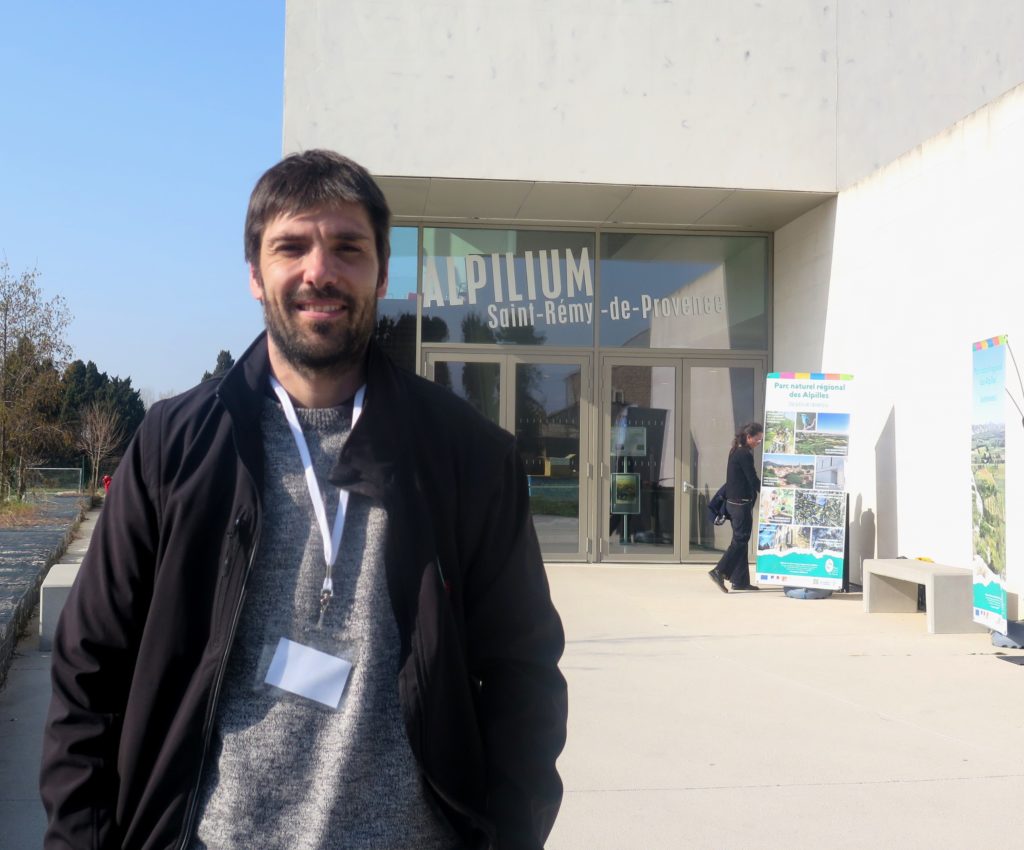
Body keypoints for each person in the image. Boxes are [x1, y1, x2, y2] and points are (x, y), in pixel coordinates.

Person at [40, 150, 568, 850]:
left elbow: (522, 681)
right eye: (292, 246)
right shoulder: (176, 446)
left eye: (348, 248)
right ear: (256, 276)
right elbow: (90, 668)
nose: (320, 270)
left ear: (381, 275)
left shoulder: (467, 457)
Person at [708, 422, 764, 593]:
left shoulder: (736, 451)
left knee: (741, 541)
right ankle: (719, 571)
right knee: (740, 540)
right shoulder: (744, 454)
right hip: (740, 505)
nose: (758, 442)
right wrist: (768, 493)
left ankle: (740, 581)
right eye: (757, 439)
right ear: (748, 437)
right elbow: (752, 478)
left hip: (733, 504)